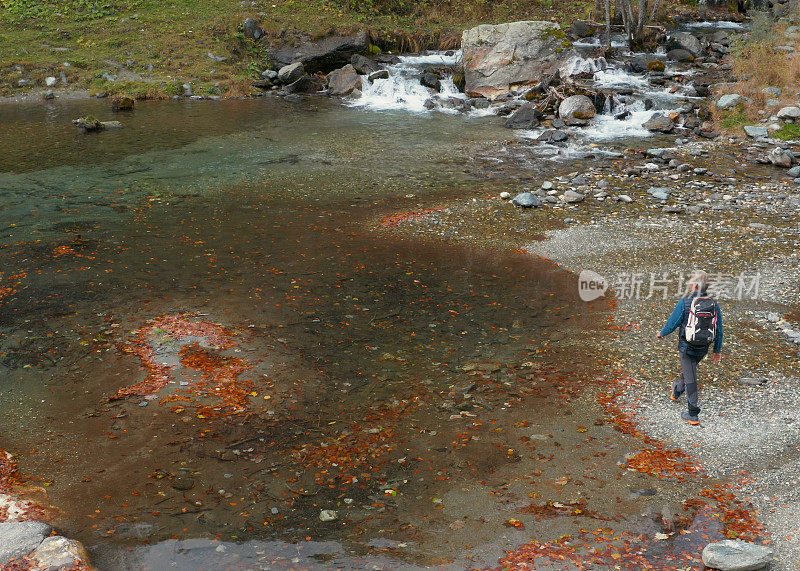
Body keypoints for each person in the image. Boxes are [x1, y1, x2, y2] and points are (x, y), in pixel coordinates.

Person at [656, 270, 723, 425]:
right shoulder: (714, 304)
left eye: (691, 280)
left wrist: (662, 333)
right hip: (704, 346)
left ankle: (692, 413)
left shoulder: (685, 302)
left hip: (687, 346)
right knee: (689, 369)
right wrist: (717, 350)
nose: (689, 282)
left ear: (696, 285)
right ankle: (677, 390)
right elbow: (719, 329)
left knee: (691, 376)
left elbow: (673, 323)